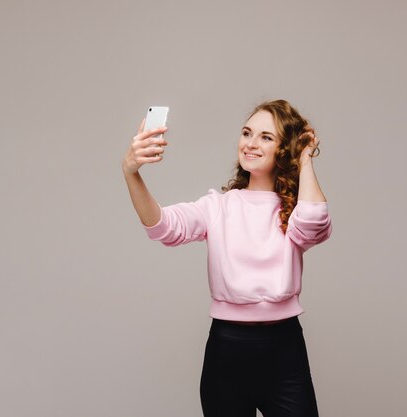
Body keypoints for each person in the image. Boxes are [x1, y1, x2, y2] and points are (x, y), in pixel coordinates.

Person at [122, 99, 332, 417]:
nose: (250, 143)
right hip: (227, 352)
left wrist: (304, 158)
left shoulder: (295, 210)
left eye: (266, 137)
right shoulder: (218, 207)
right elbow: (163, 227)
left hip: (284, 350)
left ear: (284, 148)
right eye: (247, 133)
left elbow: (316, 222)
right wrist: (131, 172)